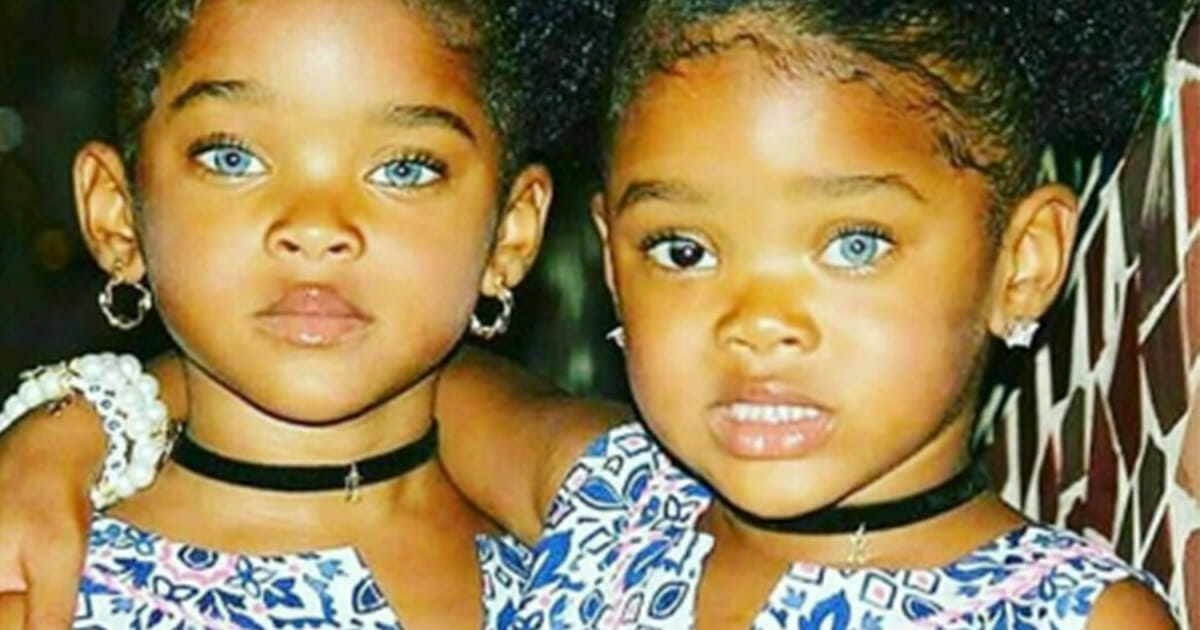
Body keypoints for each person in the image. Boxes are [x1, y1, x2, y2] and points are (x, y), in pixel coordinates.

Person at [0, 0, 1187, 628]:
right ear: (614, 268)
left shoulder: (1077, 619)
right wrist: (74, 423)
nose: (758, 320)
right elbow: (401, 366)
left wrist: (74, 419)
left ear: (1025, 262)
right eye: (684, 250)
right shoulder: (621, 510)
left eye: (854, 243)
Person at [0, 0, 618, 626]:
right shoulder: (39, 583)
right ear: (116, 212)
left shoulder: (606, 561)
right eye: (233, 157)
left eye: (403, 169)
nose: (317, 227)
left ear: (511, 231)